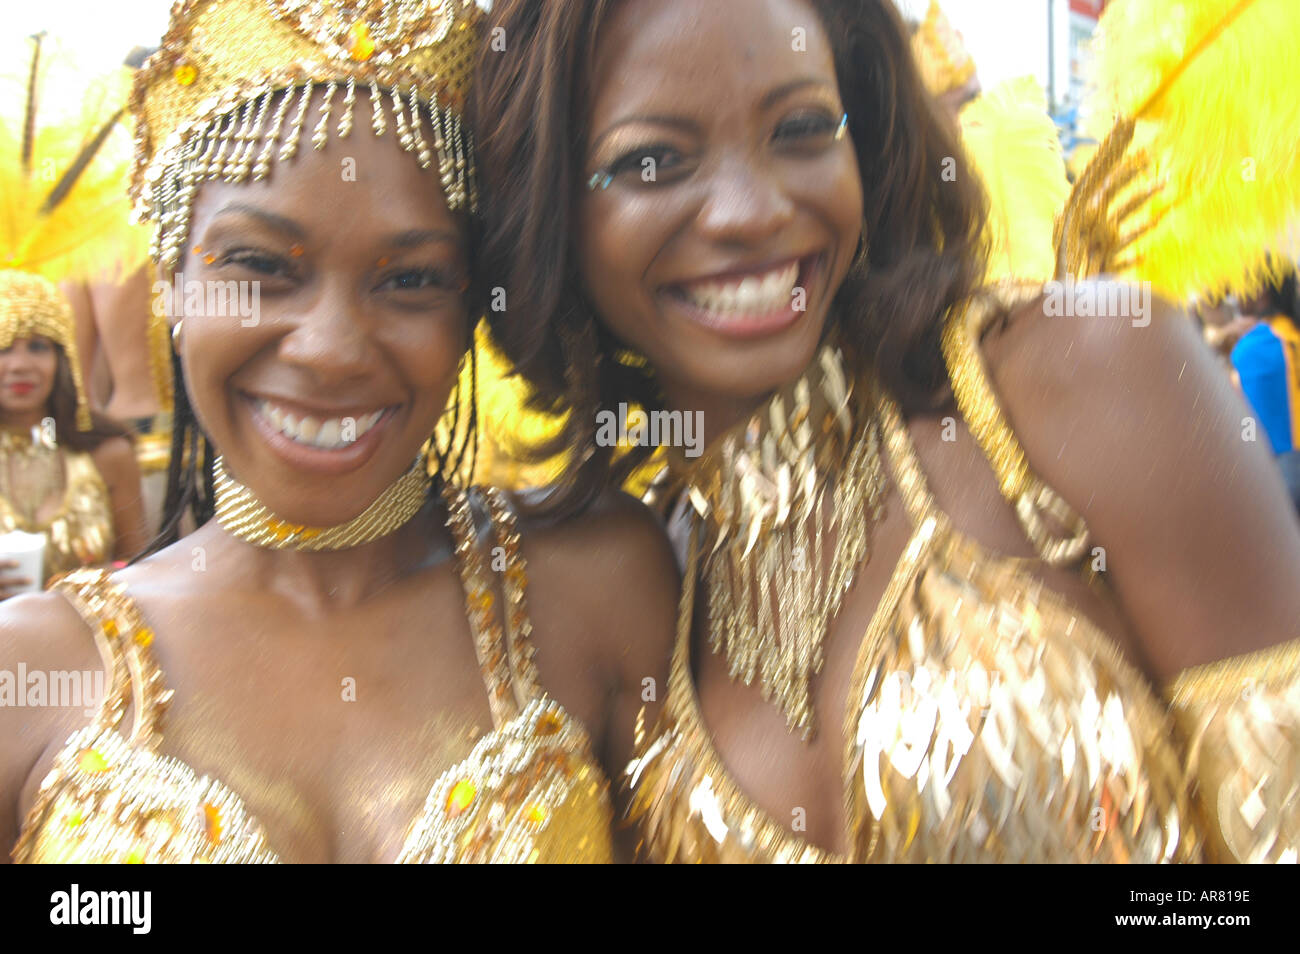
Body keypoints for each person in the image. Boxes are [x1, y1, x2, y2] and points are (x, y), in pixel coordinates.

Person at [474, 0, 1300, 862]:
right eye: (653, 160)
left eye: (799, 128)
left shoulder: (1088, 380)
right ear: (551, 209)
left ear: (862, 137)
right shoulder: (636, 600)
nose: (750, 211)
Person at [1, 0, 674, 864]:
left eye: (411, 280)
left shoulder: (596, 588)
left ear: (471, 309)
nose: (330, 350)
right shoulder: (35, 671)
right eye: (259, 266)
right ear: (172, 283)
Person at [0, 35, 149, 598]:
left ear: (60, 356)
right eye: (4, 347)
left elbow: (147, 575)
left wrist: (85, 589)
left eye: (39, 346)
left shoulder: (107, 455)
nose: (20, 363)